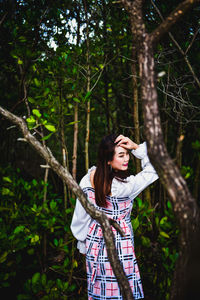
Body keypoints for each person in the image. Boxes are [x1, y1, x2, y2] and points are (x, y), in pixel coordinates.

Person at [71, 133, 158, 299]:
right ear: (108, 160)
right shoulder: (124, 187)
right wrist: (137, 148)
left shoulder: (87, 179)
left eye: (127, 154)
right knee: (121, 290)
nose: (127, 159)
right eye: (121, 155)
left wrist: (83, 244)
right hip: (120, 245)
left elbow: (80, 218)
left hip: (94, 244)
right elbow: (155, 169)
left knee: (102, 290)